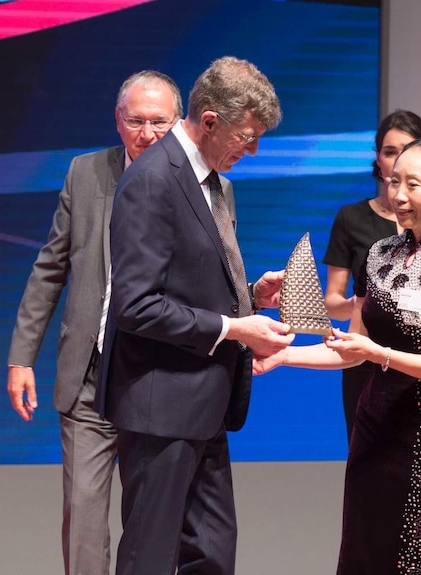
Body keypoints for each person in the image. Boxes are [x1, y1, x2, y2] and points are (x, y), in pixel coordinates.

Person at [96, 56, 295, 575]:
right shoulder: (152, 180)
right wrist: (235, 328)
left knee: (211, 553)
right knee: (150, 556)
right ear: (209, 121)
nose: (251, 152)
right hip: (161, 406)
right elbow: (137, 305)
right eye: (246, 137)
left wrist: (250, 295)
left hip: (204, 404)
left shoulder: (211, 182)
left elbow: (188, 279)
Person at [256, 137, 421, 575]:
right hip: (374, 422)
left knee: (419, 558)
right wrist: (284, 357)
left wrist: (378, 352)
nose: (398, 195)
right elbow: (352, 351)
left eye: (413, 185)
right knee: (365, 553)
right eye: (394, 180)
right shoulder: (378, 255)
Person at [6, 70, 183, 575]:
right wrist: (22, 357)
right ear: (117, 119)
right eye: (136, 121)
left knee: (148, 521)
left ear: (180, 123)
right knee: (83, 512)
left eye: (159, 122)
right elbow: (49, 268)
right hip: (87, 375)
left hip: (157, 380)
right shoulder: (85, 174)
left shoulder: (202, 185)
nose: (147, 134)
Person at [323, 109, 421, 442]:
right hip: (367, 362)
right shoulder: (351, 218)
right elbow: (333, 301)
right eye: (389, 151)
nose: (398, 160)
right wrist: (366, 304)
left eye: (409, 149)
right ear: (378, 159)